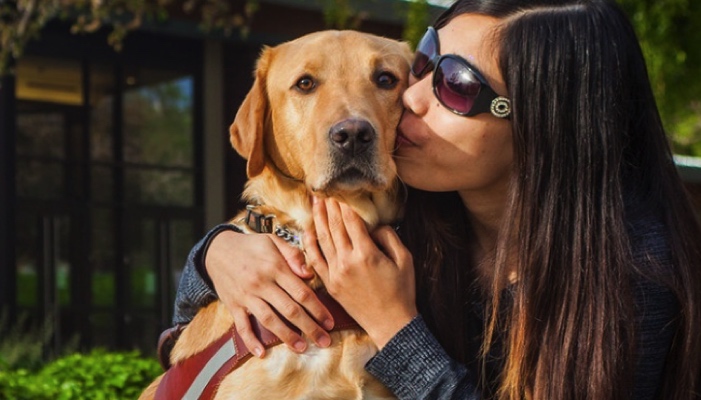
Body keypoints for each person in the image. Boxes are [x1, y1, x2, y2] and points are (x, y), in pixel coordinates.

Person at [172, 0, 701, 398]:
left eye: (457, 84)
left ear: (546, 123)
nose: (409, 98)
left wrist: (393, 325)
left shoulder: (635, 282)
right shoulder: (414, 211)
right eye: (425, 63)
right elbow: (180, 339)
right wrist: (217, 254)